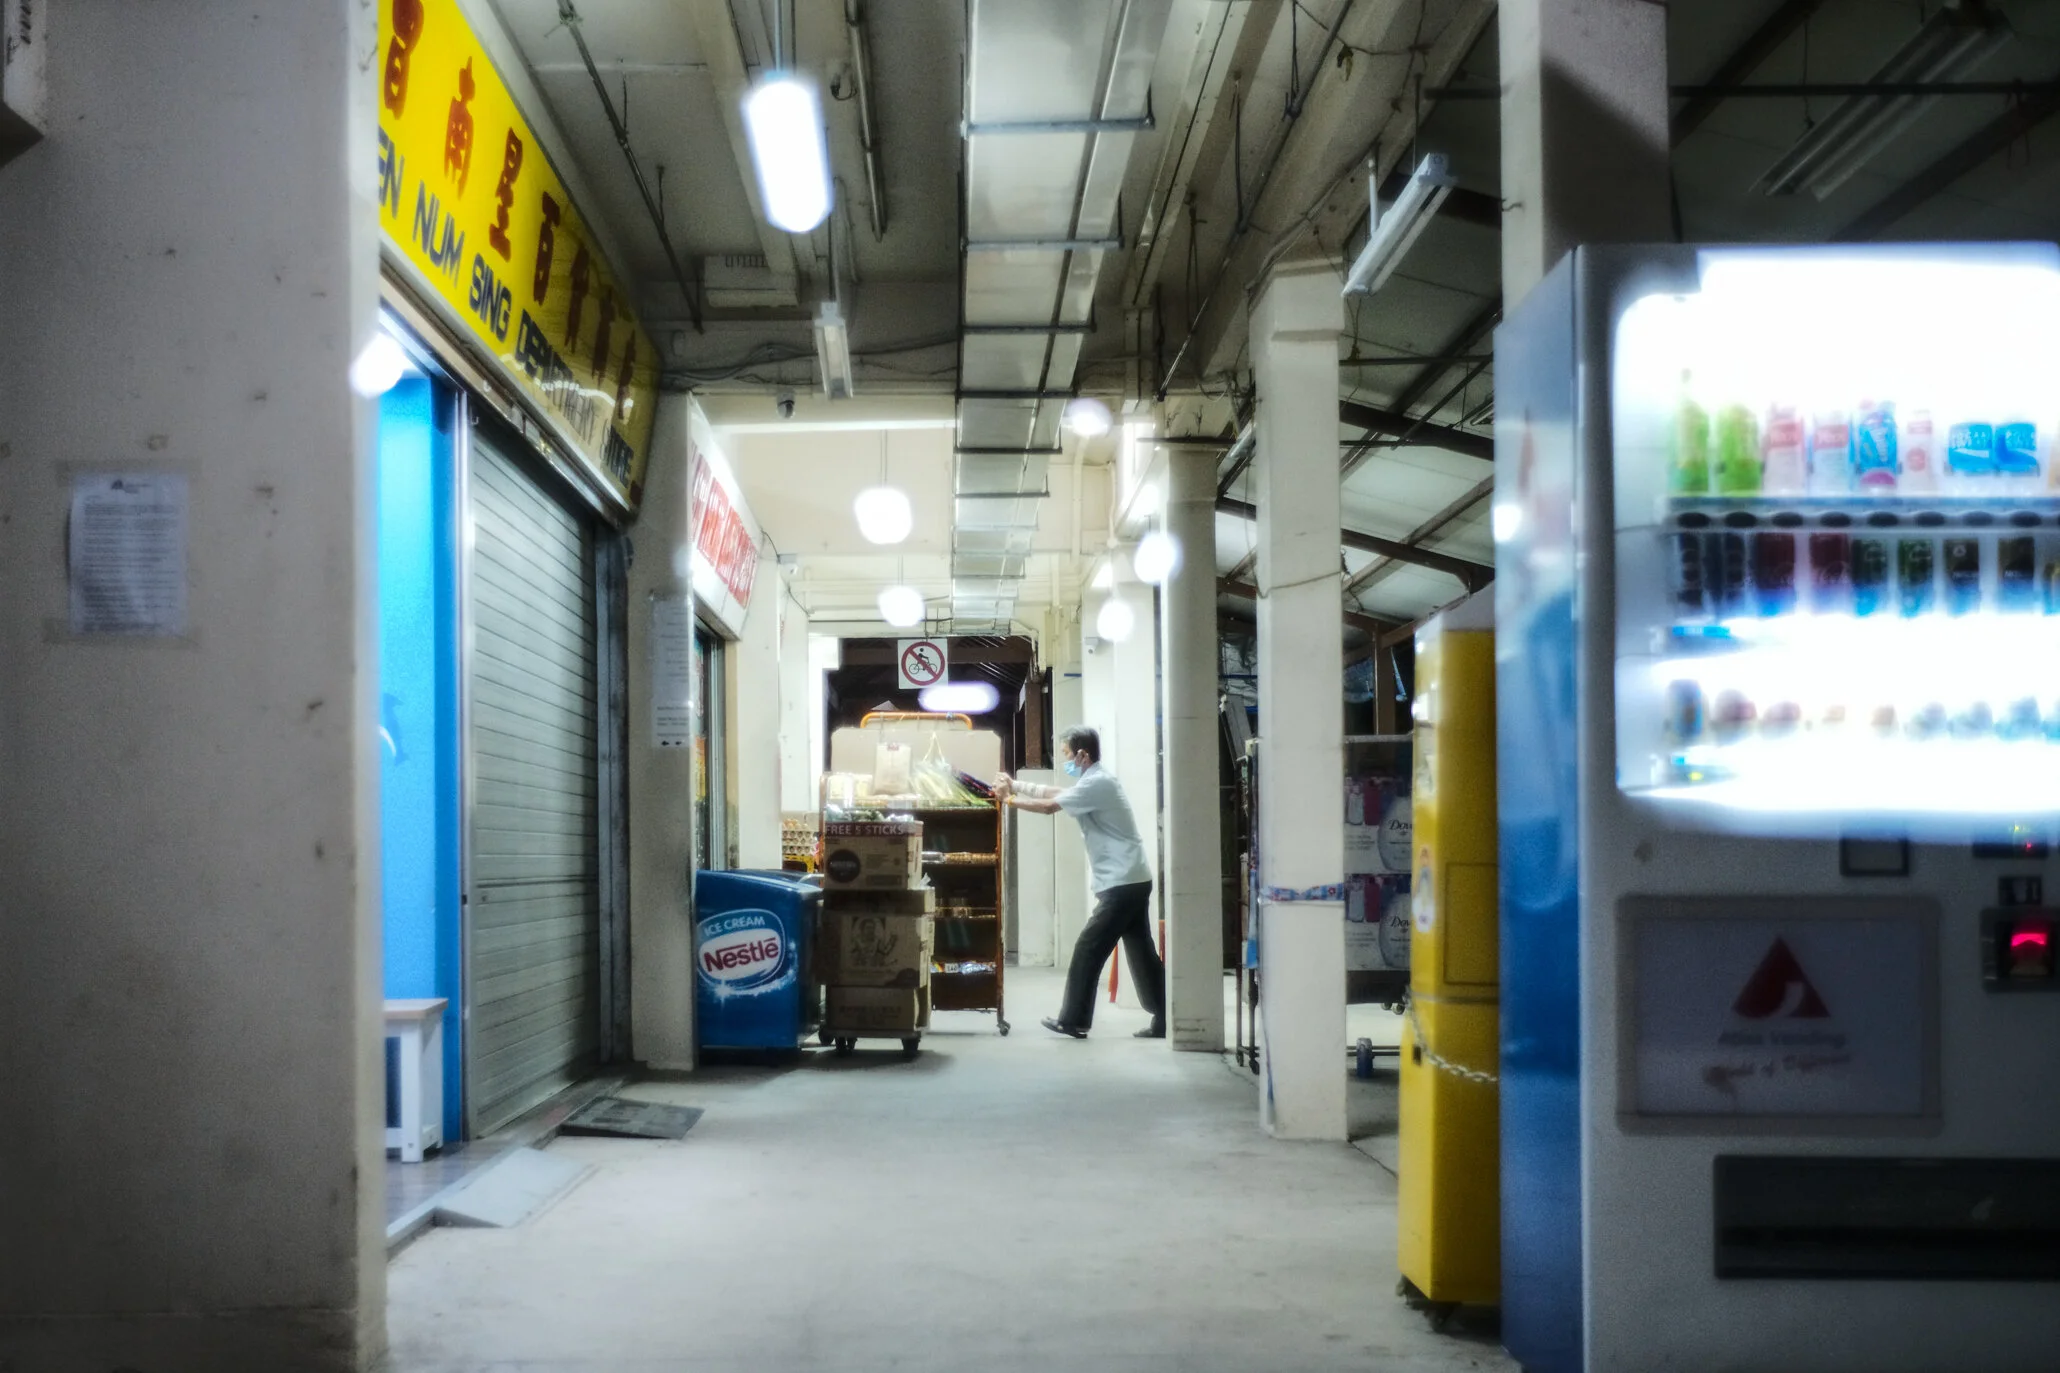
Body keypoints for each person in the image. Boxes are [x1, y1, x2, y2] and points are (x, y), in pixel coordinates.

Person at [995, 726, 1165, 1039]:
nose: (1065, 761)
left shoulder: (1098, 783)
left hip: (1122, 884)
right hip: (1131, 879)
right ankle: (1166, 1017)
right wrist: (1015, 784)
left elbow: (1049, 807)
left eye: (1067, 755)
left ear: (1083, 755)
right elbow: (1056, 793)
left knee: (1088, 948)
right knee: (1143, 956)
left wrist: (1009, 800)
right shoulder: (1093, 781)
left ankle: (1073, 1020)